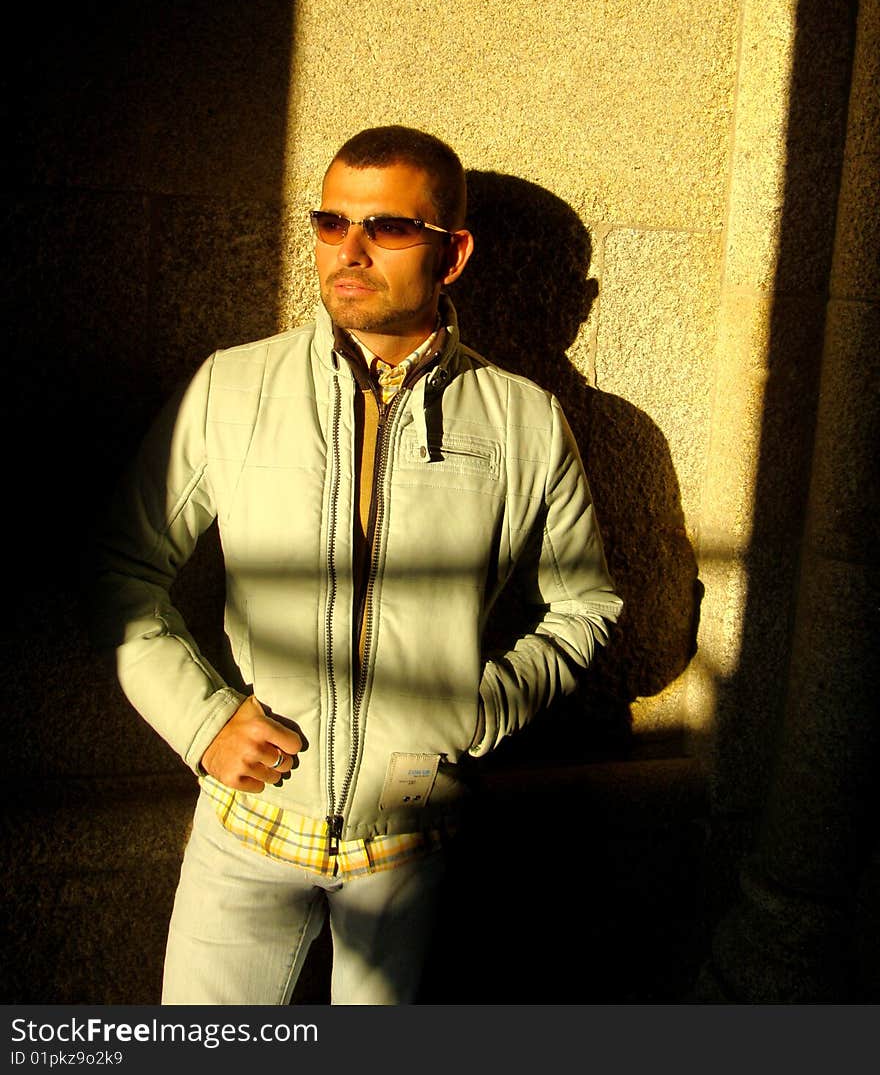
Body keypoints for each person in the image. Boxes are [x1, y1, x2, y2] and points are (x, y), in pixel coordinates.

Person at [92, 125, 623, 1005]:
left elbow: (586, 606)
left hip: (409, 848)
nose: (350, 248)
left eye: (388, 228)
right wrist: (202, 720)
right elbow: (121, 566)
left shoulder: (525, 420)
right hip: (246, 834)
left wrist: (476, 709)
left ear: (453, 255)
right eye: (332, 221)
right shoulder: (232, 386)